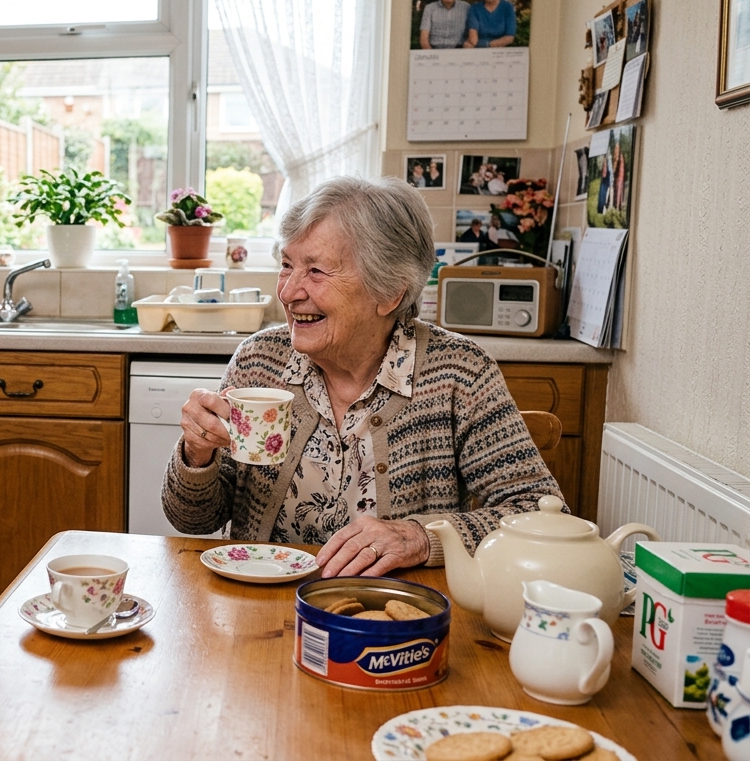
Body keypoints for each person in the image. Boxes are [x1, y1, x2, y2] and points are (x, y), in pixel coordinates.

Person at [162, 177, 561, 578]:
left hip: (391, 612)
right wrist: (197, 455)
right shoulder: (260, 359)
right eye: (286, 265)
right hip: (261, 603)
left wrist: (419, 537)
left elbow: (539, 512)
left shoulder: (459, 373)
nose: (287, 292)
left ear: (388, 293)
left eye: (316, 270)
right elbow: (192, 522)